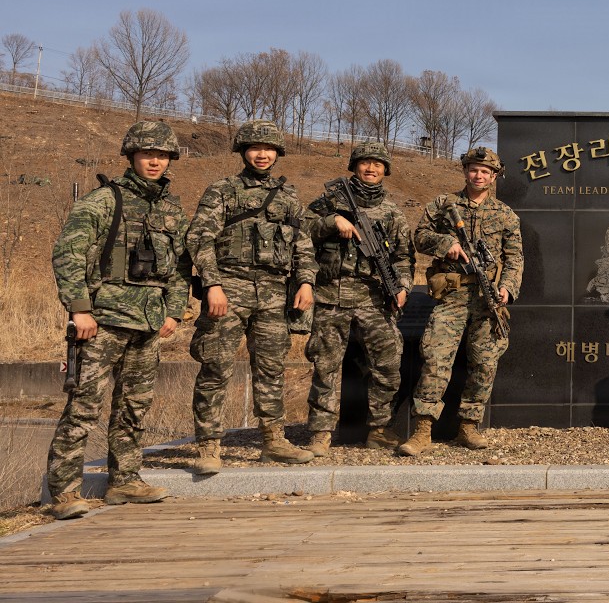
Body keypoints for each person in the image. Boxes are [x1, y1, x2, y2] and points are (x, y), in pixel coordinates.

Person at [46, 121, 191, 519]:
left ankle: (125, 481)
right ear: (131, 156)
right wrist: (79, 309)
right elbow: (67, 255)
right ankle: (63, 493)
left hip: (148, 325)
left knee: (133, 407)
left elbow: (181, 267)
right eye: (147, 154)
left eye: (161, 155)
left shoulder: (170, 208)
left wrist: (174, 311)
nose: (155, 161)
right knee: (83, 410)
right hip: (102, 322)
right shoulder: (103, 201)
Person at [187, 119, 317, 474]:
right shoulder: (223, 191)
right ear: (243, 151)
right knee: (215, 367)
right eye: (255, 148)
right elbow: (200, 238)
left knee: (272, 369)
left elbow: (304, 246)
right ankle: (208, 446)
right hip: (229, 287)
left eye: (269, 149)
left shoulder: (288, 197)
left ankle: (273, 441)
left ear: (278, 153)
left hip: (274, 293)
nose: (262, 154)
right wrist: (212, 284)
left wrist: (305, 282)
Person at [398, 146, 523, 455]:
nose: (478, 175)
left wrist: (507, 288)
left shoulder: (505, 214)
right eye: (473, 169)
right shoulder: (444, 205)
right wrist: (447, 244)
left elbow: (514, 258)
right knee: (437, 360)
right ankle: (423, 429)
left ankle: (468, 426)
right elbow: (420, 236)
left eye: (485, 171)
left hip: (487, 298)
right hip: (451, 296)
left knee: (484, 363)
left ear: (494, 177)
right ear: (466, 171)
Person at [302, 142, 414, 457]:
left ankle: (379, 428)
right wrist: (331, 222)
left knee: (389, 363)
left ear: (385, 170)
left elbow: (404, 256)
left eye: (378, 164)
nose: (371, 168)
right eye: (365, 163)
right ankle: (321, 433)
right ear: (354, 165)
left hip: (373, 297)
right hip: (331, 293)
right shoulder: (329, 201)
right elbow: (300, 230)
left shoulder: (392, 211)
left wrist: (402, 285)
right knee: (325, 365)